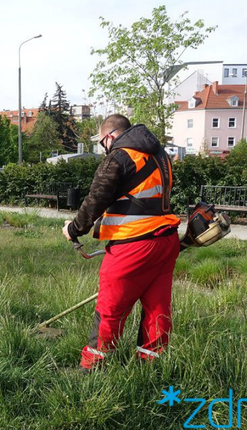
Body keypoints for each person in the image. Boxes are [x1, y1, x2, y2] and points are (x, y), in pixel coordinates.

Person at [62, 114, 181, 372]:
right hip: (165, 241)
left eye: (101, 142)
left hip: (133, 245)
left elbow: (95, 200)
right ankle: (151, 366)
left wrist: (73, 229)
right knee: (157, 306)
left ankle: (93, 368)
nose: (104, 148)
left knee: (110, 307)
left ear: (109, 136)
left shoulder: (118, 157)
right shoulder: (160, 156)